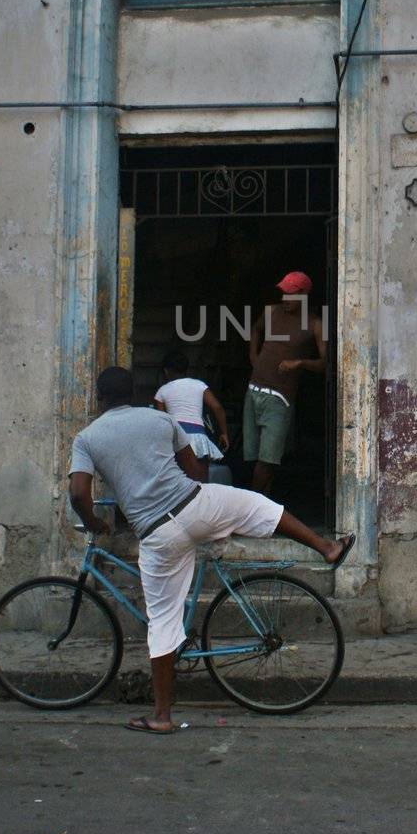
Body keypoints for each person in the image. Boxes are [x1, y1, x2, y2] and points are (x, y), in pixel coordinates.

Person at [69, 366, 352, 734]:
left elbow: (78, 494)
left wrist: (95, 523)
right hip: (194, 505)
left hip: (158, 533)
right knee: (255, 505)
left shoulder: (87, 438)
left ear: (99, 397)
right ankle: (326, 547)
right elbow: (196, 472)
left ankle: (162, 716)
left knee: (163, 621)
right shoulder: (161, 420)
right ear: (136, 392)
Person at [243, 271, 325, 495]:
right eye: (283, 293)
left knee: (268, 460)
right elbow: (256, 329)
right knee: (253, 456)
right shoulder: (270, 312)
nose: (284, 299)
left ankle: (250, 505)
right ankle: (264, 509)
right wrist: (253, 355)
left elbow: (324, 364)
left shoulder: (315, 324)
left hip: (280, 397)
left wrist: (299, 363)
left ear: (303, 295)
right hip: (253, 390)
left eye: (290, 295)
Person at [153, 349, 229, 471]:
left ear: (166, 371)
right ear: (186, 369)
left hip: (177, 439)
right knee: (201, 485)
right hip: (199, 439)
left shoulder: (162, 391)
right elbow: (217, 407)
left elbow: (162, 420)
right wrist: (224, 433)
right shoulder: (199, 385)